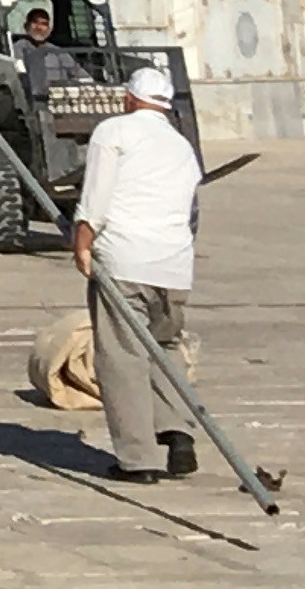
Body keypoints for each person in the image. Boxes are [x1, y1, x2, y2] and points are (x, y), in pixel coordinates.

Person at [71, 64, 205, 483]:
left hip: (125, 260)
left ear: (129, 99)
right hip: (174, 266)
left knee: (123, 358)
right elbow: (191, 210)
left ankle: (138, 459)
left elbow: (97, 193)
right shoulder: (183, 147)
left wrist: (82, 239)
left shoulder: (114, 131)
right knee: (164, 347)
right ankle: (178, 431)